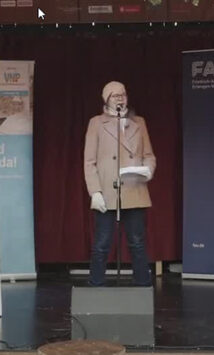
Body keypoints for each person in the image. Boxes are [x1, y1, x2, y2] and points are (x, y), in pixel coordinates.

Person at [83, 80, 156, 287]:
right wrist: (95, 191)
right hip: (107, 192)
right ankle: (96, 284)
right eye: (116, 95)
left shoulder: (138, 122)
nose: (121, 98)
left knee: (137, 242)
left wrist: (147, 171)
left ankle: (143, 285)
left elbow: (149, 155)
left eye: (123, 95)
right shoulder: (96, 123)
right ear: (106, 99)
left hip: (134, 189)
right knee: (102, 243)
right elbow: (89, 161)